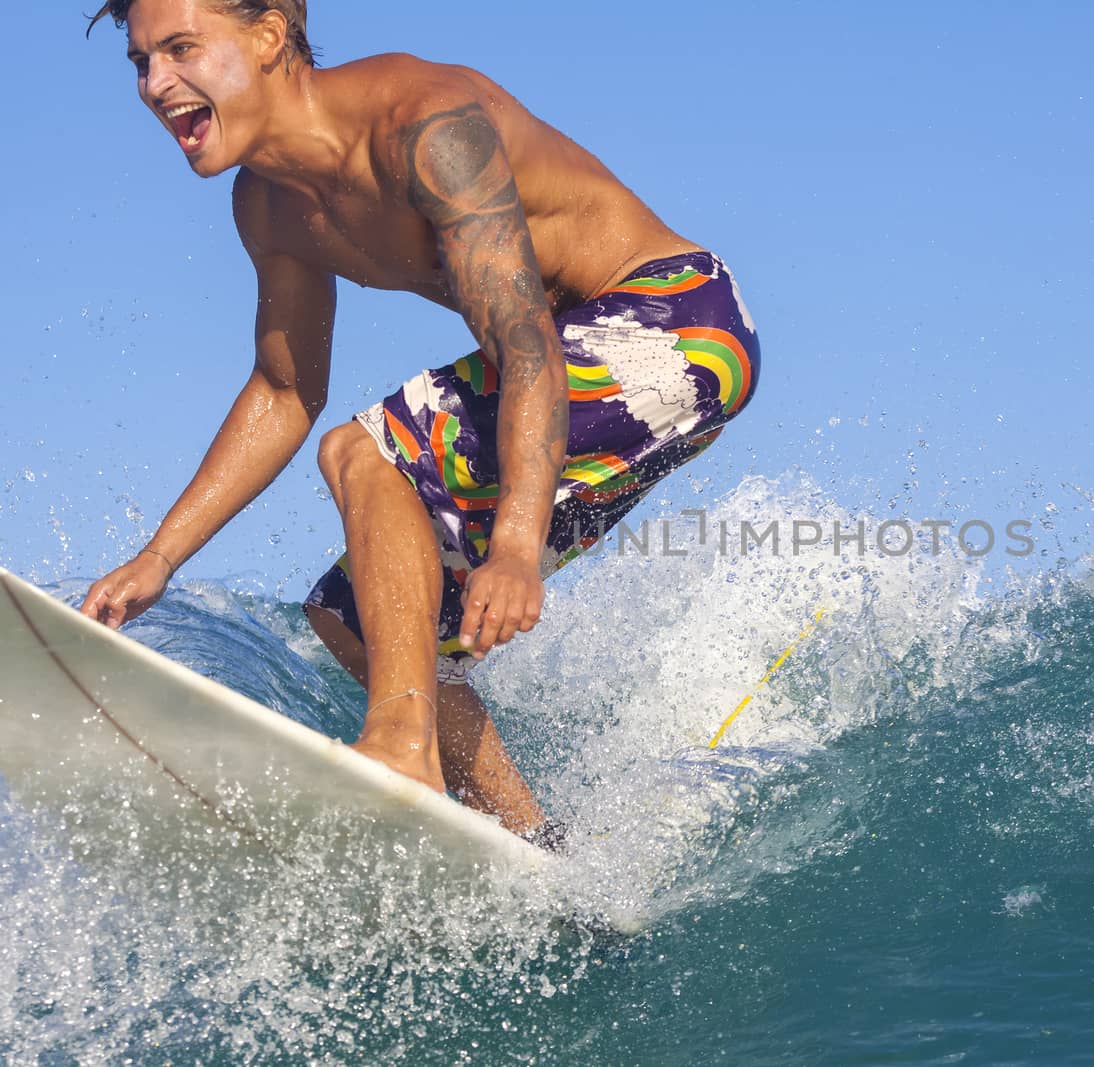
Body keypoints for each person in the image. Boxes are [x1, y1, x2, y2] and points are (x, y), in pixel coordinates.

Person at [77, 0, 761, 847]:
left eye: (181, 49)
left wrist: (515, 544)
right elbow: (286, 390)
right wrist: (160, 556)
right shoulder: (270, 207)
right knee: (358, 617)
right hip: (587, 377)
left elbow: (527, 344)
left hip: (682, 327)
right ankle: (536, 850)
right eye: (141, 62)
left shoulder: (428, 128)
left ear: (268, 36)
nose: (155, 84)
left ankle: (403, 748)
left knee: (367, 453)